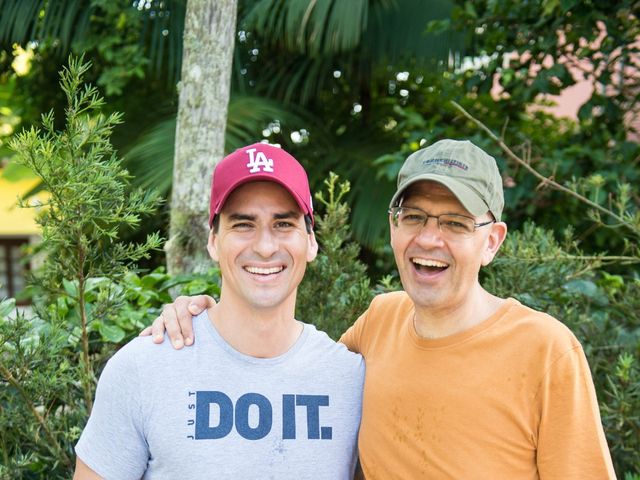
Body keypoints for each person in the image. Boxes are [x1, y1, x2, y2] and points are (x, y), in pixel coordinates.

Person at [145, 139, 616, 479]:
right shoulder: (379, 322)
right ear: (393, 226)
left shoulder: (545, 351)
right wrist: (201, 315)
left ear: (491, 241)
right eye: (414, 217)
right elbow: (281, 361)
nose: (428, 239)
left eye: (455, 222)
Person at [74, 143, 365, 479]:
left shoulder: (350, 379)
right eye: (243, 225)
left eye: (283, 224)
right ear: (213, 241)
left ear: (311, 241)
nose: (266, 246)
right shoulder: (142, 369)